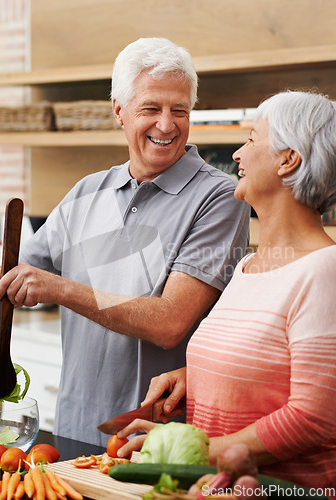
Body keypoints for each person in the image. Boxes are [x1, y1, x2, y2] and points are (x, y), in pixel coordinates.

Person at [0, 38, 250, 447]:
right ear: (119, 111)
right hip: (73, 429)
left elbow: (170, 323)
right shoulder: (87, 191)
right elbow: (16, 283)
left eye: (180, 110)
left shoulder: (219, 198)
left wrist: (59, 289)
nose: (166, 124)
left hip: (156, 440)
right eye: (151, 109)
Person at [115, 90, 336, 493]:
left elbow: (314, 416)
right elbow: (273, 362)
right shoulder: (247, 266)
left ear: (288, 159)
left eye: (252, 139)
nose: (237, 154)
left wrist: (195, 449)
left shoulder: (325, 271)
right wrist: (198, 375)